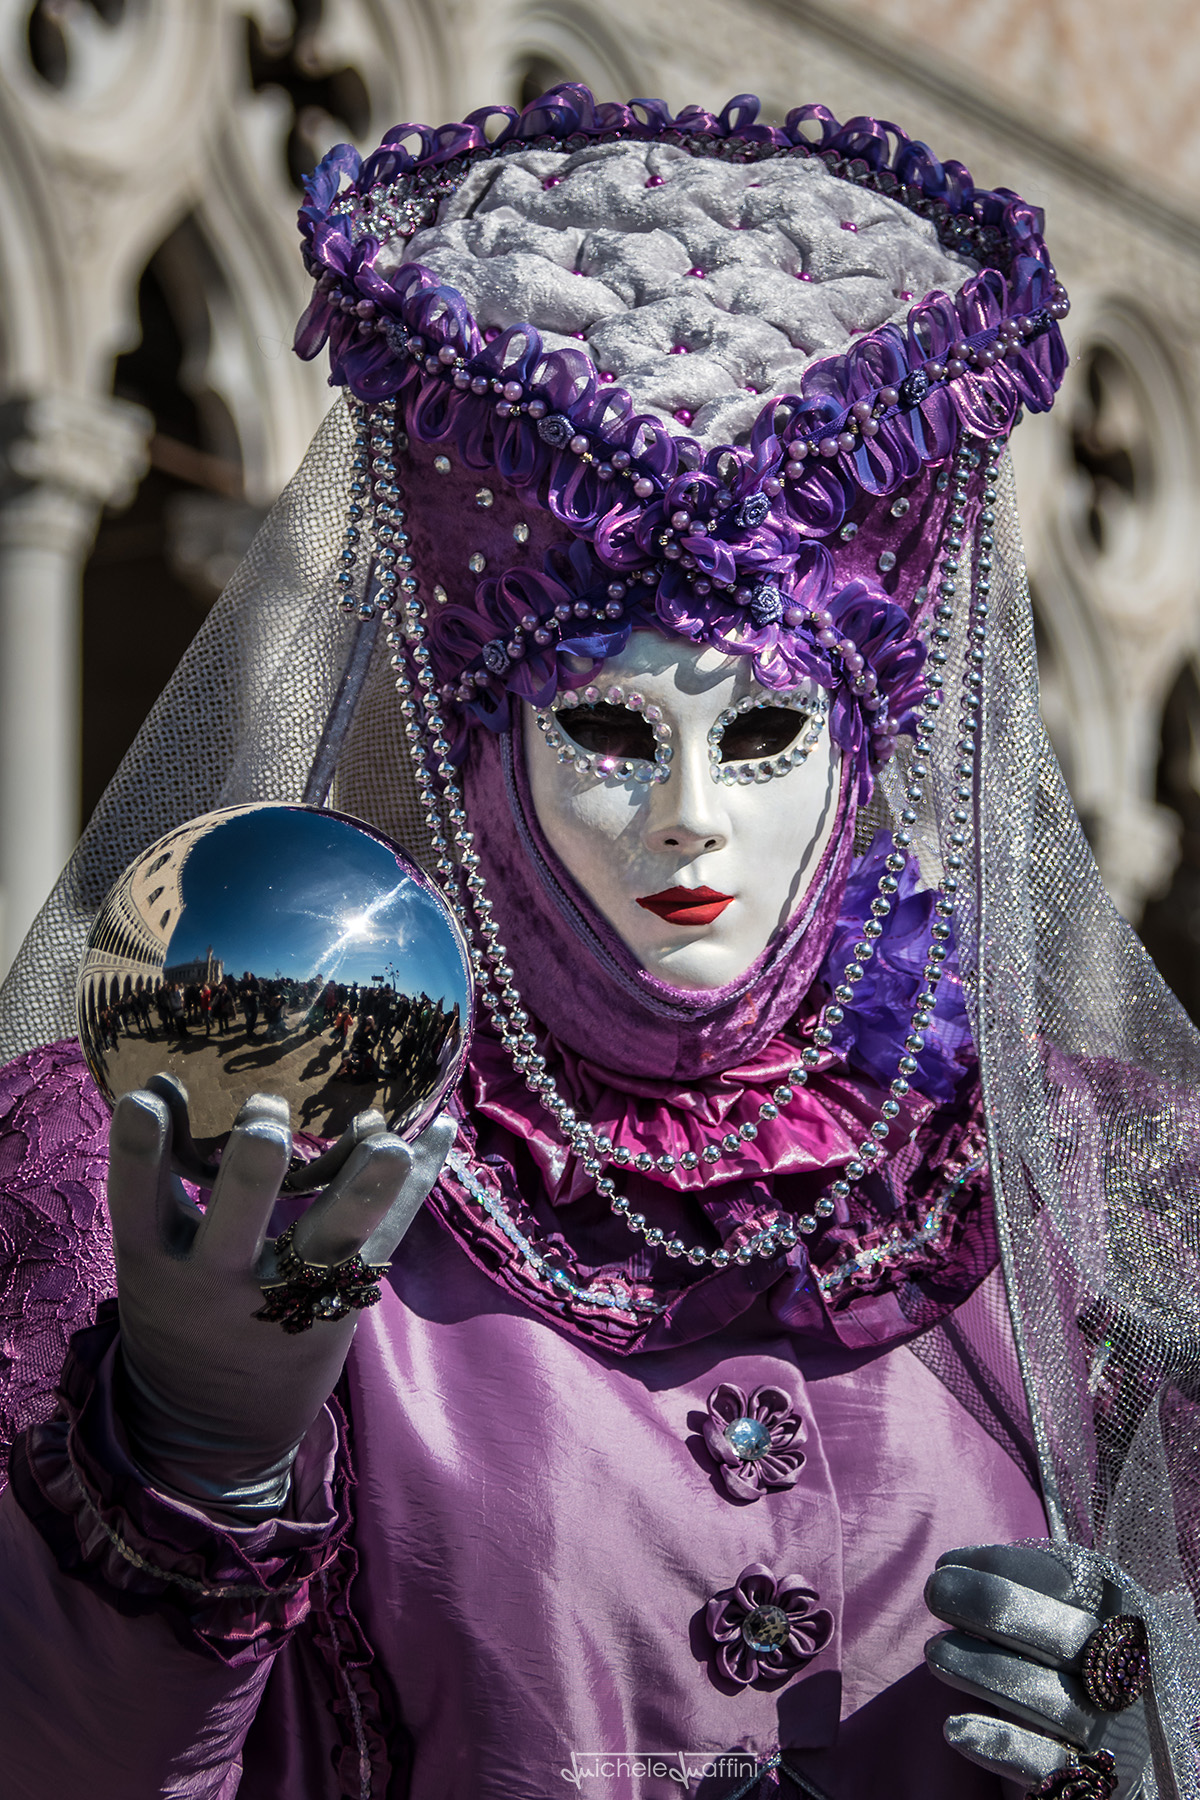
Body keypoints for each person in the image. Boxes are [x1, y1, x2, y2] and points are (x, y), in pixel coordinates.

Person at [0, 86, 1195, 1800]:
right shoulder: (251, 1155)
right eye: (615, 736)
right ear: (485, 747)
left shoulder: (1095, 1197)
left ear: (862, 754)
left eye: (765, 736)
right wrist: (184, 1468)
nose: (691, 820)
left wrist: (1169, 1719)